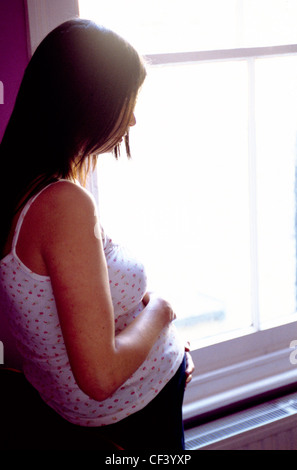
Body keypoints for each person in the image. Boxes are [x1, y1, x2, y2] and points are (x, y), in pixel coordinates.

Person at [0, 18, 194, 450]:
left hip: (129, 413)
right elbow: (101, 377)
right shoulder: (62, 205)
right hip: (133, 426)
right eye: (126, 101)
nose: (133, 119)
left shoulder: (23, 187)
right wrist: (161, 311)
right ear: (89, 103)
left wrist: (166, 353)